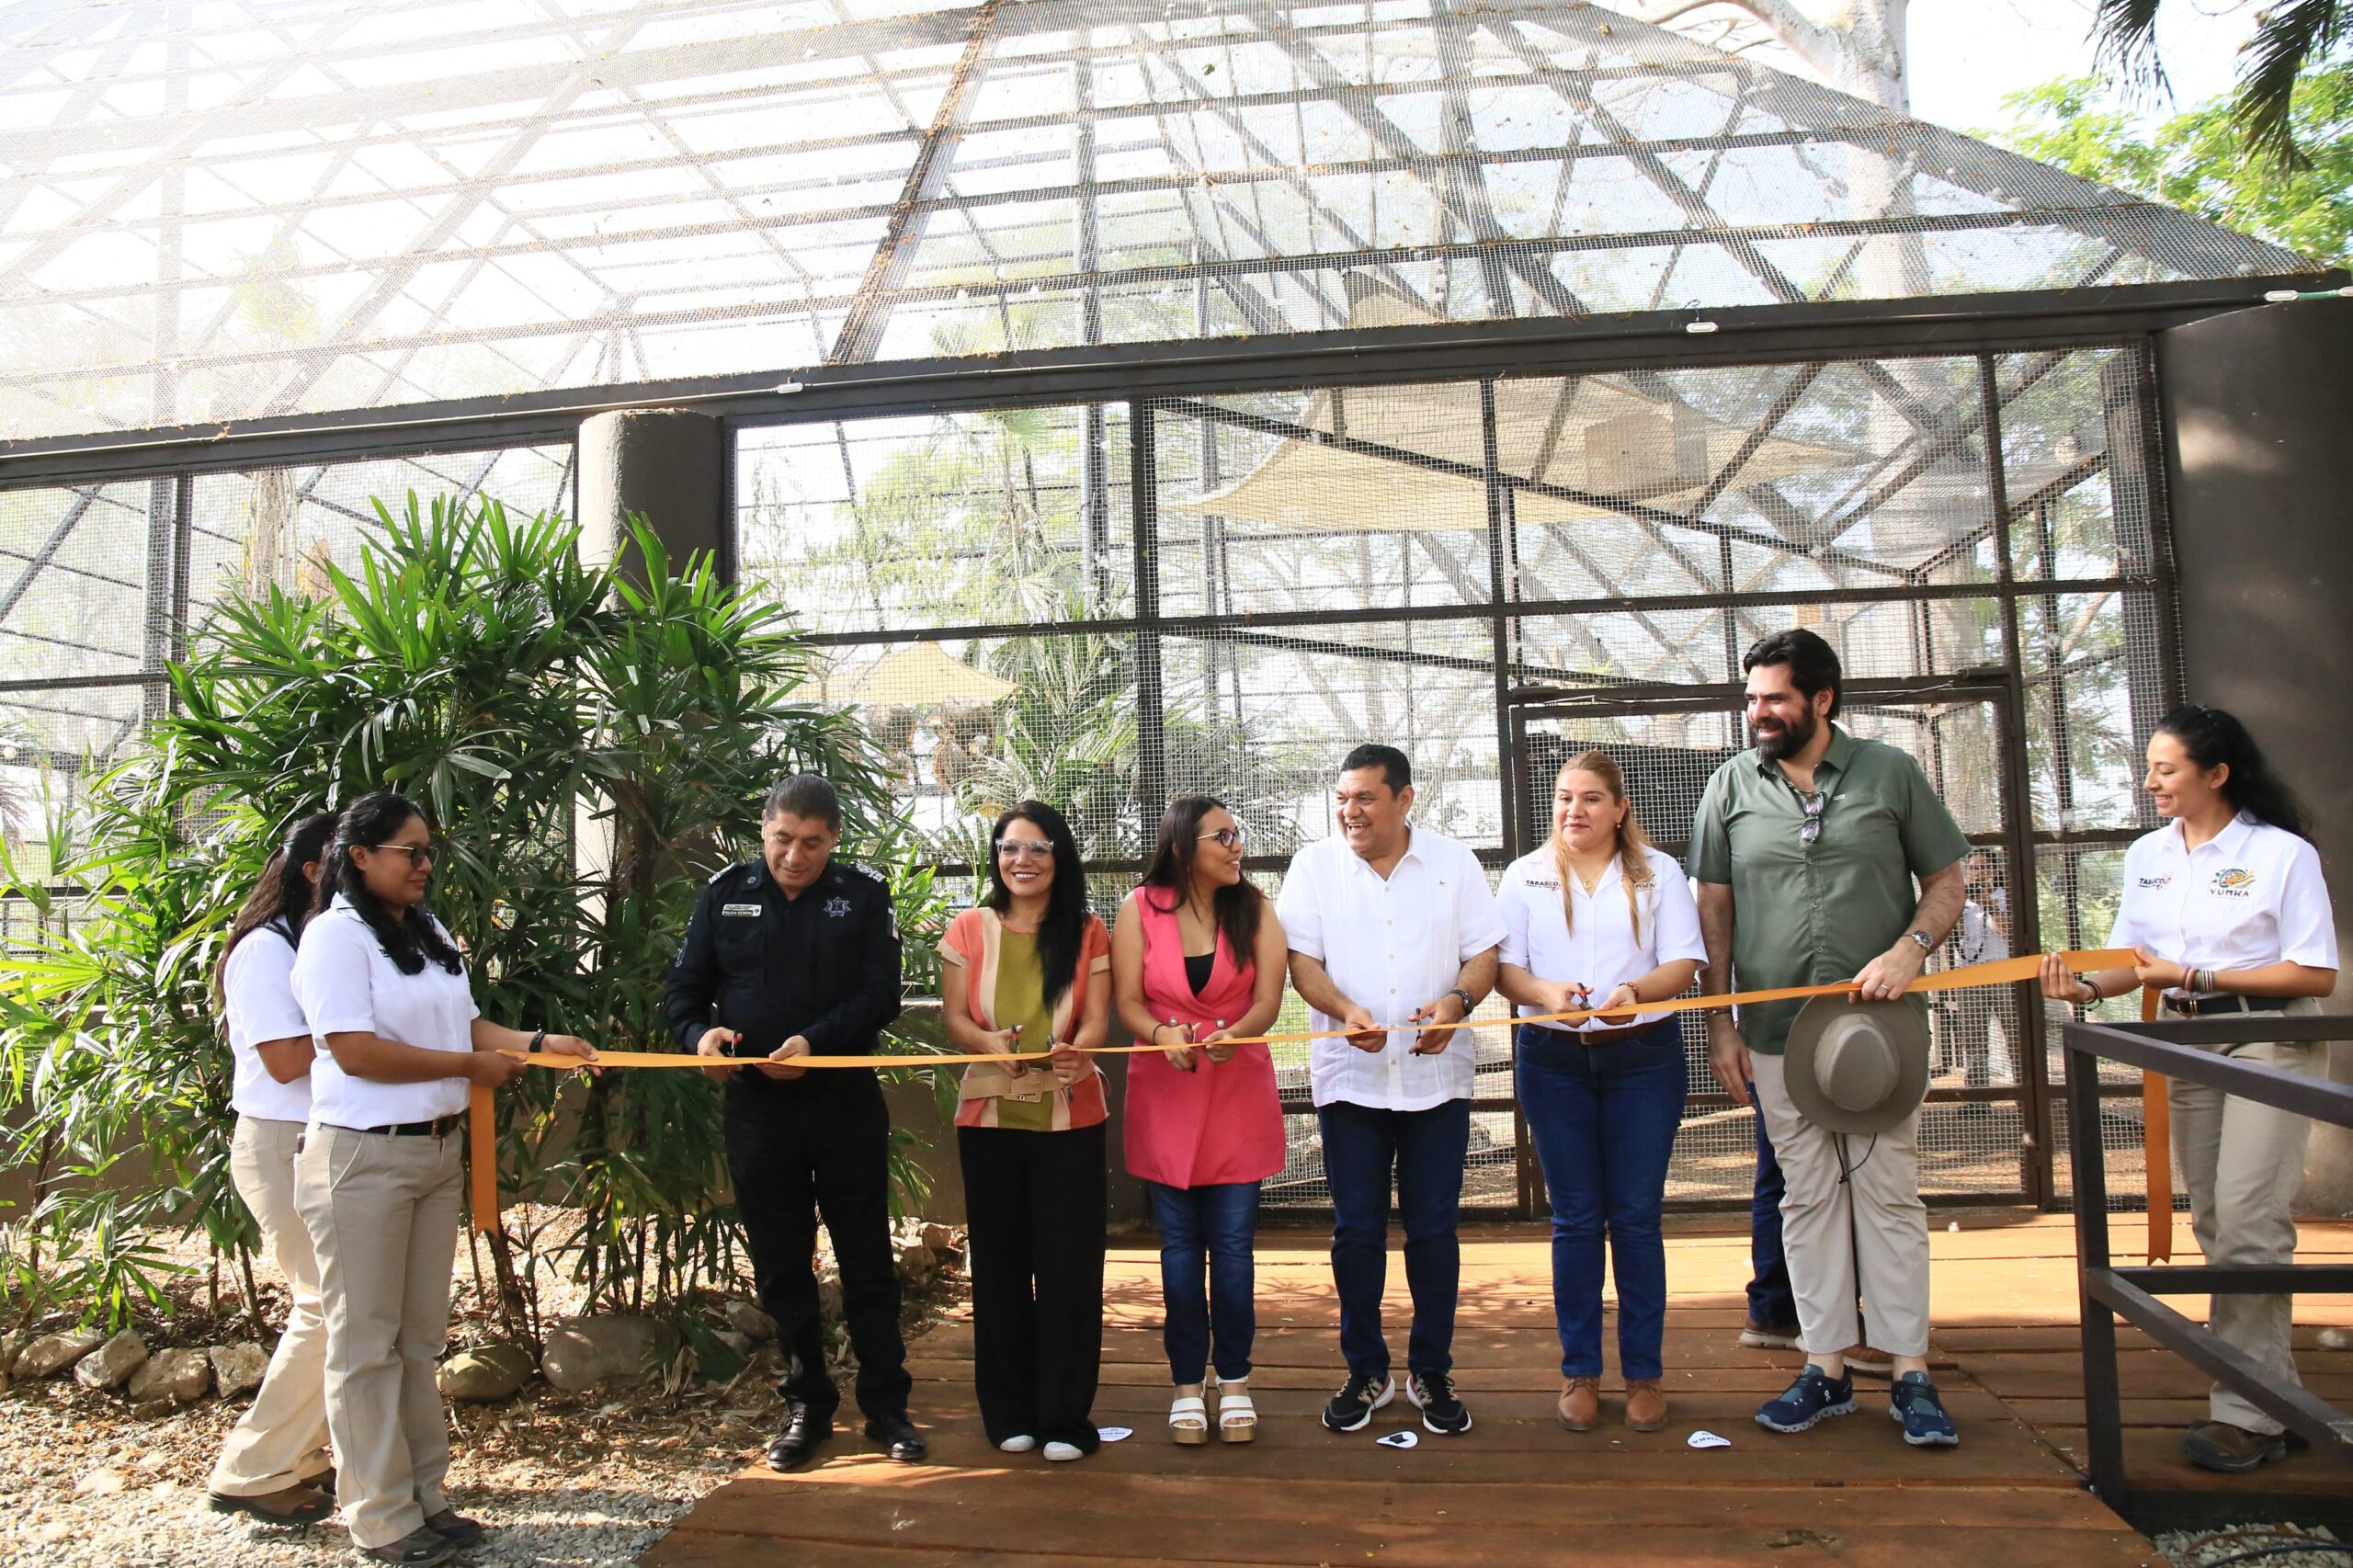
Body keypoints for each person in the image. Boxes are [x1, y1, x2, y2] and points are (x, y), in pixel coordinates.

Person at [291, 791, 595, 1567]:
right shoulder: (334, 937)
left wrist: (536, 1042)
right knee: (364, 1344)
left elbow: (463, 1026)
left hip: (433, 1153)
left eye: (429, 851)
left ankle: (426, 1496)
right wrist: (467, 1066)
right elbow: (354, 1051)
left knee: (419, 1339)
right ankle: (379, 1516)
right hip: (362, 1158)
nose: (425, 864)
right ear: (360, 856)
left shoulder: (424, 930)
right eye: (411, 851)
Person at [1689, 630, 1972, 1449]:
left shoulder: (1891, 772)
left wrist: (1911, 949)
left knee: (1888, 1194)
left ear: (1822, 699)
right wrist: (1720, 1022)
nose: (1759, 712)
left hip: (1879, 1035)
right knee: (1806, 1196)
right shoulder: (1730, 785)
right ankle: (1825, 1367)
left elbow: (1947, 881)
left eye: (1775, 698)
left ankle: (1911, 1372)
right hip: (1775, 1034)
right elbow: (1713, 910)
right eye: (1752, 699)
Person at [2040, 704, 2337, 1474]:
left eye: (2166, 769)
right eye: (2150, 768)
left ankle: (2249, 1413)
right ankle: (2274, 1394)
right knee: (2215, 1218)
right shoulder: (2148, 854)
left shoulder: (2281, 854)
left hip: (2270, 1035)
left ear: (2218, 773)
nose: (2150, 782)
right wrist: (2084, 988)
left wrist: (2196, 975)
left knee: (2247, 1217)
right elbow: (2135, 961)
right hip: (2187, 1038)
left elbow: (2314, 973)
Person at [665, 774, 924, 1471]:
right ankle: (807, 1406)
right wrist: (699, 1038)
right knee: (782, 1266)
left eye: (811, 842)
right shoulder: (725, 894)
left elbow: (881, 994)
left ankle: (887, 1406)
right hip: (758, 1114)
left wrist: (816, 1043)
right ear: (763, 829)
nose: (794, 855)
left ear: (834, 838)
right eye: (782, 839)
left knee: (866, 1258)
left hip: (843, 1105)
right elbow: (684, 991)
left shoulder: (862, 896)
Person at [1277, 744, 1504, 1437]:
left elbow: (1484, 954)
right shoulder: (1314, 867)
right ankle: (1366, 1370)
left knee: (1434, 1230)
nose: (1350, 811)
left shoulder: (1455, 864)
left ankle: (1431, 1370)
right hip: (1351, 1082)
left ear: (1405, 800)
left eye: (1365, 798)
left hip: (1438, 1081)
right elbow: (1301, 963)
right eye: (1342, 799)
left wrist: (1457, 1004)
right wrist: (1345, 1011)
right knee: (1356, 1232)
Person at [1497, 753, 1704, 1434]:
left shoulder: (1659, 873)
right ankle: (1580, 1371)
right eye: (1564, 797)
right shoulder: (1525, 875)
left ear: (1620, 809)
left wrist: (1635, 993)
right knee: (1576, 1218)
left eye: (1590, 798)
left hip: (1643, 1059)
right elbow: (1506, 969)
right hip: (1551, 1061)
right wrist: (1545, 993)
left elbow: (1684, 962)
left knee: (1637, 1217)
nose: (1574, 810)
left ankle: (1643, 1374)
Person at [939, 801, 1114, 1462]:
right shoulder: (967, 928)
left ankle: (1065, 1417)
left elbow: (1096, 1019)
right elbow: (956, 1019)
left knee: (1070, 1266)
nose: (1023, 860)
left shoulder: (1089, 931)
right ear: (996, 857)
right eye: (1010, 848)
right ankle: (1008, 1411)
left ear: (1059, 857)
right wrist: (986, 1043)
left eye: (1038, 848)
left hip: (1072, 1117)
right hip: (988, 1119)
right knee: (1000, 1264)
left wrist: (1081, 1051)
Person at [1110, 797, 1288, 1446]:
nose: (1237, 846)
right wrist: (1162, 1034)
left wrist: (1235, 1033)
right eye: (1223, 836)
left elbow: (1269, 1000)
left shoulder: (1257, 908)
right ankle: (1187, 1383)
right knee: (1180, 1250)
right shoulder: (1138, 908)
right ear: (1185, 848)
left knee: (1234, 1249)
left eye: (1237, 835)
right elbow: (1127, 1000)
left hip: (1238, 1093)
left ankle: (1235, 1379)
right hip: (1166, 1095)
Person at [207, 811, 341, 1525]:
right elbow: (286, 1061)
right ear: (315, 870)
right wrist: (374, 1040)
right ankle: (253, 1469)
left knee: (345, 1310)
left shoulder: (329, 939)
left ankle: (306, 1458)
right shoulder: (265, 949)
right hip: (283, 1142)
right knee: (325, 1305)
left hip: (328, 1137)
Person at [1939, 850, 2011, 1116]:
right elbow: (1954, 936)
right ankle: (1977, 1099)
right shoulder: (1964, 901)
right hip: (1969, 975)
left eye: (1982, 868)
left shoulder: (2007, 897)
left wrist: (1989, 903)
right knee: (1973, 1038)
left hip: (2004, 973)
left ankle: (2024, 1093)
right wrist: (1957, 909)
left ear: (1995, 870)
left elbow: (2011, 933)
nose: (1977, 873)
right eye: (1972, 868)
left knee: (2014, 1034)